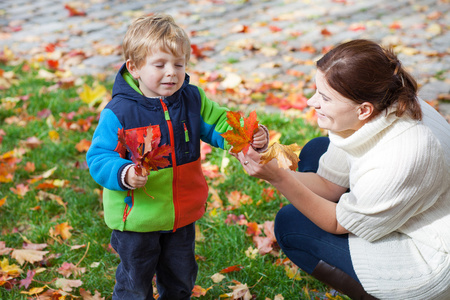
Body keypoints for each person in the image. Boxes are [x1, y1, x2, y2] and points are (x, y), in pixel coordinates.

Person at [234, 39, 450, 299]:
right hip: (405, 209)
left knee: (290, 224)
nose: (312, 102)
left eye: (324, 97)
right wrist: (270, 164)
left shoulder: (405, 152)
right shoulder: (380, 102)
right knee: (316, 149)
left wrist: (279, 179)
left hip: (429, 254)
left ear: (363, 110)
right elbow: (329, 184)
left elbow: (338, 222)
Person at [86, 13, 268, 300]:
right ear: (134, 68)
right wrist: (124, 172)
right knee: (135, 284)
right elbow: (99, 157)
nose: (171, 72)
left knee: (181, 279)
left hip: (181, 216)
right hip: (137, 220)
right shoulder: (119, 112)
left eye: (179, 64)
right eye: (159, 65)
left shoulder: (192, 100)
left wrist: (249, 135)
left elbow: (219, 125)